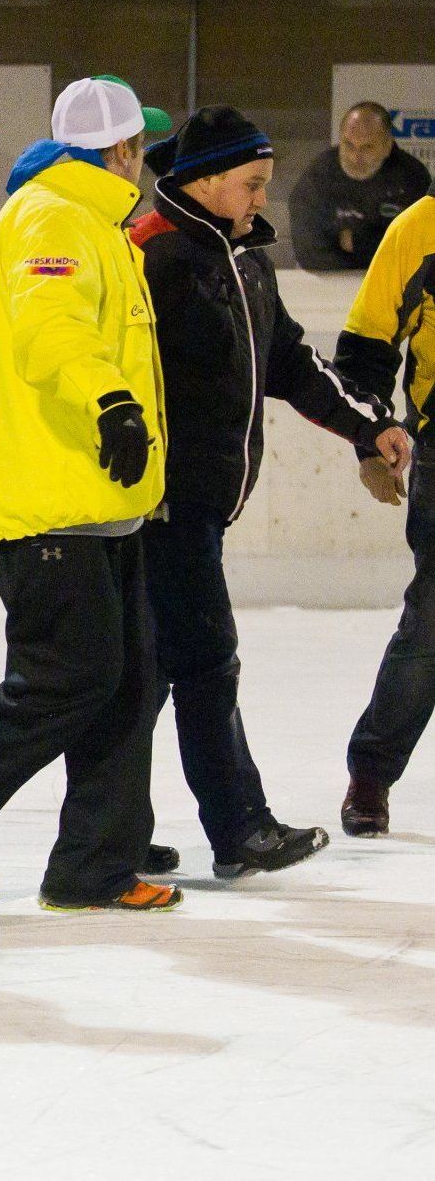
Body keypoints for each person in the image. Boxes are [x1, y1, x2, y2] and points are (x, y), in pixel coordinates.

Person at [0, 74, 180, 913]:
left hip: (94, 497)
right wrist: (113, 403)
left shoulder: (95, 221)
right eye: (141, 145)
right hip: (45, 495)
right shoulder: (52, 217)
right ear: (122, 149)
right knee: (71, 676)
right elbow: (52, 328)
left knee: (128, 682)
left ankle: (95, 864)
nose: (145, 160)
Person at [132, 105, 410, 876]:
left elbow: (288, 360)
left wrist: (368, 426)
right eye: (251, 183)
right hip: (163, 504)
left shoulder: (243, 256)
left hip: (202, 504)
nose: (263, 198)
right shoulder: (154, 254)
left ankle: (107, 832)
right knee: (204, 663)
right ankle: (239, 829)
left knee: (146, 674)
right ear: (204, 179)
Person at [332, 180, 435, 836]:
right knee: (432, 623)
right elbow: (366, 345)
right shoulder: (421, 227)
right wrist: (369, 441)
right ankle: (372, 772)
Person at [288, 101, 431, 272]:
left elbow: (418, 247)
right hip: (330, 279)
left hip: (393, 277)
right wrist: (375, 244)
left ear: (387, 146)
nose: (355, 157)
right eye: (348, 145)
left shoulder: (413, 177)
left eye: (367, 147)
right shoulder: (319, 174)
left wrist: (355, 242)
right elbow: (308, 251)